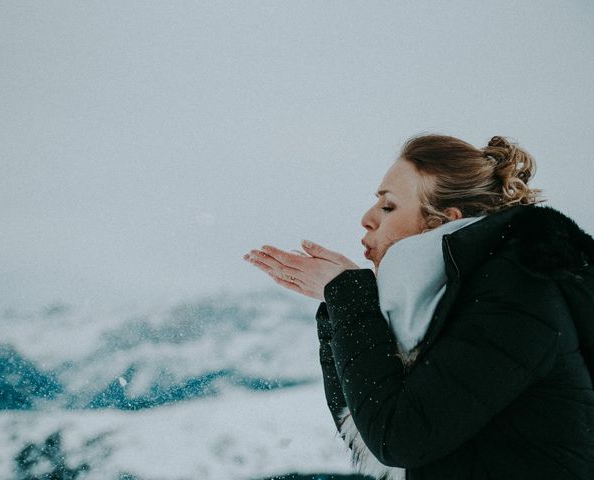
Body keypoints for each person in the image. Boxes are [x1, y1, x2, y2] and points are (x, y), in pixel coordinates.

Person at [243, 133, 594, 479]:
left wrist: (350, 296)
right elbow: (361, 423)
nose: (367, 218)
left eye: (388, 206)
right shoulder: (448, 304)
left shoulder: (516, 298)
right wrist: (340, 304)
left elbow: (397, 438)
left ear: (442, 221)